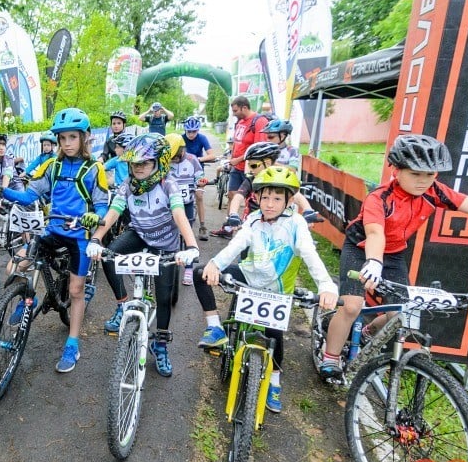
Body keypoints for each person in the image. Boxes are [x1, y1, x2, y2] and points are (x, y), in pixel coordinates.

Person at [319, 134, 468, 381]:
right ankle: (331, 358)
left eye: (430, 174)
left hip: (395, 254)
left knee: (400, 315)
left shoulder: (434, 192)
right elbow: (375, 232)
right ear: (396, 170)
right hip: (361, 249)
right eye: (415, 174)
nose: (423, 181)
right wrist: (374, 261)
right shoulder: (379, 198)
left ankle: (367, 332)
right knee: (352, 306)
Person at [195, 167, 337, 411]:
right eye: (265, 198)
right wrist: (215, 264)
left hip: (276, 289)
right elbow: (237, 244)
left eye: (277, 198)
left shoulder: (296, 224)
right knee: (199, 273)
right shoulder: (252, 219)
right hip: (249, 277)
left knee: (275, 336)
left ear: (289, 200)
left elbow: (309, 254)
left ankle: (274, 380)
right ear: (257, 198)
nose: (270, 204)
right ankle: (215, 329)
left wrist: (326, 286)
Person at [0, 108, 109, 373]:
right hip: (52, 229)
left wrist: (93, 217)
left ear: (84, 137)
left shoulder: (94, 168)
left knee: (75, 291)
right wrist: (1, 191)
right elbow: (29, 196)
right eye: (62, 138)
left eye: (72, 137)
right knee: (15, 266)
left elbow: (102, 205)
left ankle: (72, 344)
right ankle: (30, 297)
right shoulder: (53, 165)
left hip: (80, 238)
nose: (67, 143)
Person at [86, 133, 200, 378]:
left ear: (159, 163)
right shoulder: (127, 185)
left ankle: (161, 345)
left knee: (163, 296)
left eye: (145, 163)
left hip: (166, 245)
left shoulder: (169, 184)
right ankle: (121, 305)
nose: (138, 168)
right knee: (109, 254)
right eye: (134, 163)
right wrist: (96, 238)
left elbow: (180, 215)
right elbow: (114, 213)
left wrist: (191, 246)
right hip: (139, 234)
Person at [165, 133, 204, 286]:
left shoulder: (192, 160)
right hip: (170, 203)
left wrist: (201, 181)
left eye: (175, 156)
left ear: (182, 150)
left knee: (187, 233)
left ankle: (188, 268)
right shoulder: (165, 161)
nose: (173, 160)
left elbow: (199, 175)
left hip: (187, 203)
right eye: (170, 157)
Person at [224, 96, 270, 206]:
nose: (234, 114)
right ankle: (230, 221)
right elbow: (237, 142)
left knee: (251, 199)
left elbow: (258, 149)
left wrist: (238, 159)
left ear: (244, 107)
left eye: (235, 111)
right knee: (231, 194)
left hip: (250, 168)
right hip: (237, 167)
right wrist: (232, 158)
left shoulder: (259, 121)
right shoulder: (240, 122)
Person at [182, 115, 216, 240]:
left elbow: (212, 155)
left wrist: (197, 159)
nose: (191, 134)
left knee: (199, 196)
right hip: (182, 171)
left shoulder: (202, 138)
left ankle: (202, 226)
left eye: (194, 131)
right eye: (189, 131)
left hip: (197, 171)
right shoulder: (181, 138)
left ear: (198, 130)